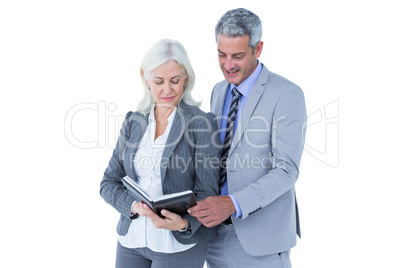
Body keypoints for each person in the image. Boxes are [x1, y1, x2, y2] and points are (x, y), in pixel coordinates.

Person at [188, 8, 307, 268]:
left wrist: (232, 204)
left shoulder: (287, 94)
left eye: (237, 56)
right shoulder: (219, 91)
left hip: (261, 241)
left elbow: (286, 170)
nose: (228, 65)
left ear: (258, 49)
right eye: (222, 54)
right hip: (215, 235)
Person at [100, 39, 221, 268]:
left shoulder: (201, 123)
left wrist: (184, 223)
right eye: (159, 81)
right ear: (146, 80)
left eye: (175, 80)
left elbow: (207, 192)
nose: (167, 89)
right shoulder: (133, 122)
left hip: (178, 243)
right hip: (131, 240)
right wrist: (133, 207)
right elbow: (108, 183)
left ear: (186, 78)